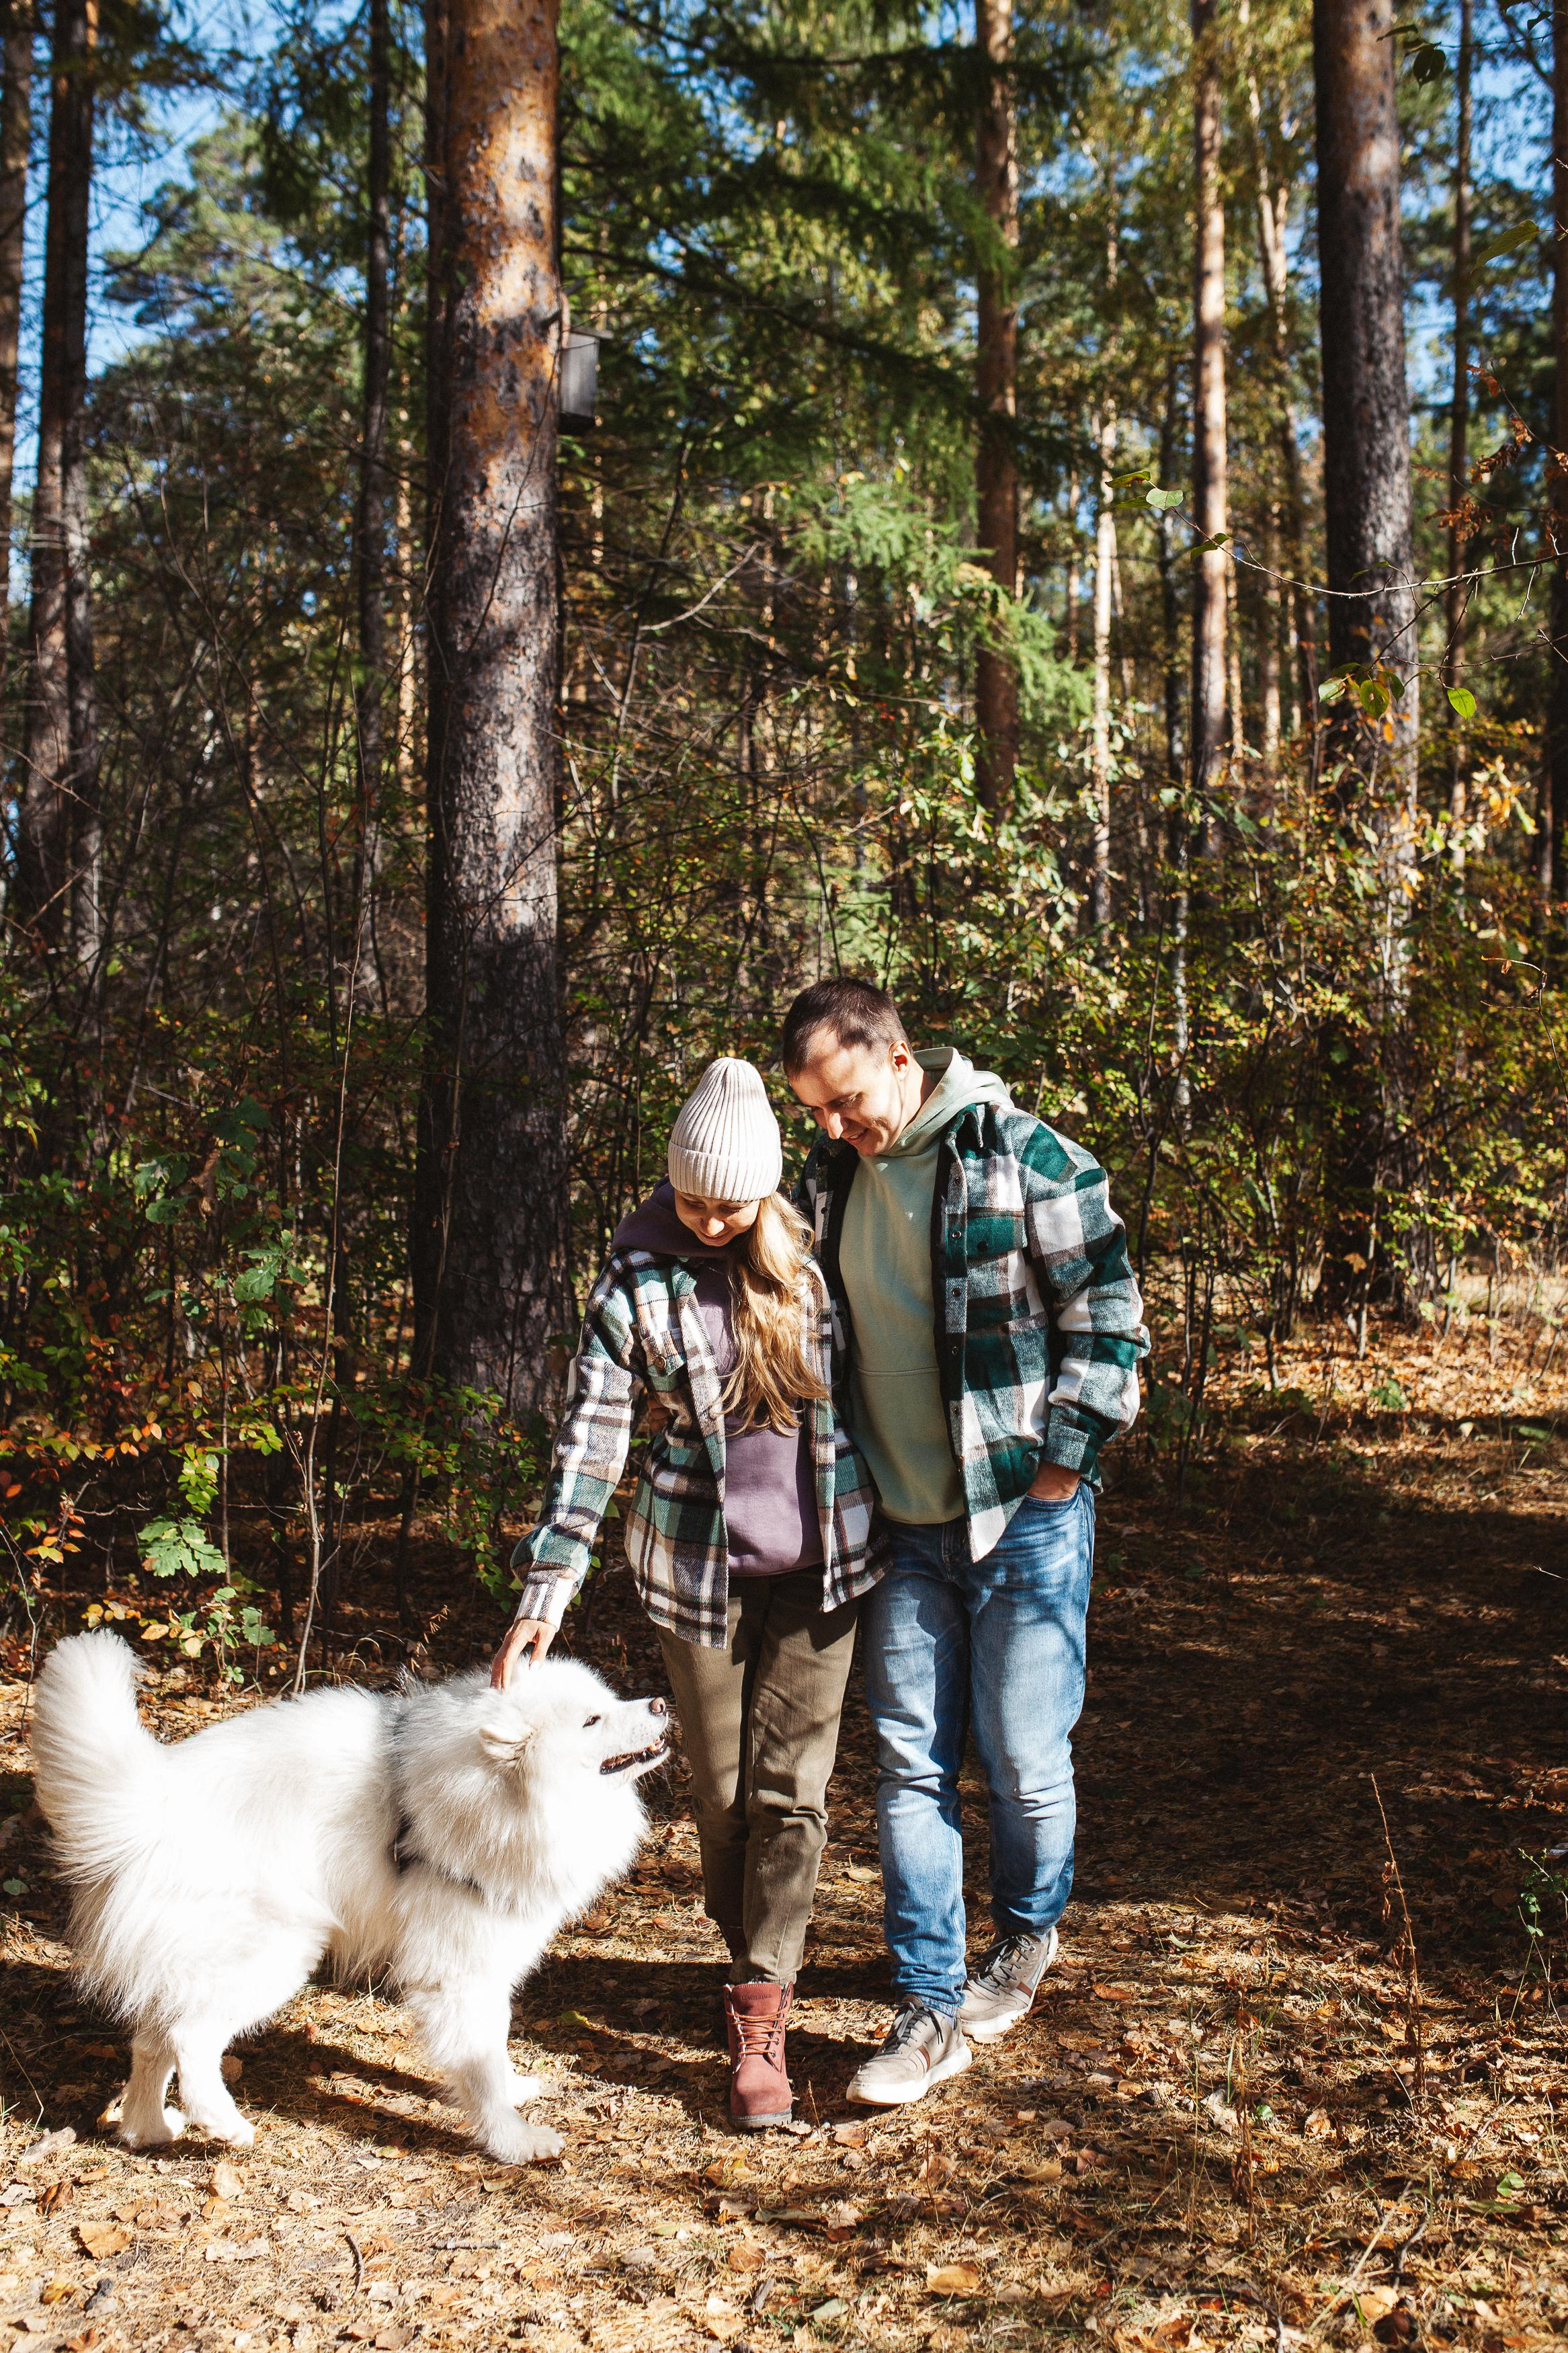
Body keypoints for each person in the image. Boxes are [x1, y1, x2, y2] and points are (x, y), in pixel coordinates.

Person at [491, 1057, 883, 2130]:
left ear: (764, 1191)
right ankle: (746, 1946)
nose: (711, 1222)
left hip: (825, 1573)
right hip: (695, 1576)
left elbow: (881, 1383)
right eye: (693, 1200)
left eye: (732, 1203)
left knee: (790, 1798)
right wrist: (547, 1585)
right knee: (721, 1798)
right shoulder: (632, 1281)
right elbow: (591, 1441)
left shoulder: (810, 1264)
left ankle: (762, 2013)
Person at [782, 978, 1149, 2106]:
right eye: (816, 1114)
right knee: (908, 1765)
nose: (837, 1127)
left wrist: (1058, 1462)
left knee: (1026, 1763)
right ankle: (929, 2005)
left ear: (897, 1058)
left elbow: (1111, 1317)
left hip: (1021, 1519)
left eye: (847, 1100)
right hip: (895, 1526)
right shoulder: (826, 1183)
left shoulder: (1023, 1155)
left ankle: (1026, 1938)